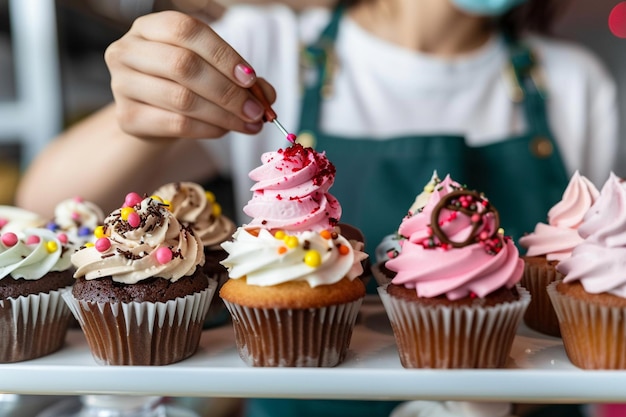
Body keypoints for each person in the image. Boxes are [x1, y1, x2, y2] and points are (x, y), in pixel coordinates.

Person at [15, 0, 619, 416]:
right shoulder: (264, 47)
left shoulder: (573, 82)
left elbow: (579, 278)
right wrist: (136, 123)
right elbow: (43, 206)